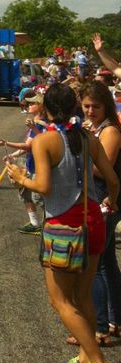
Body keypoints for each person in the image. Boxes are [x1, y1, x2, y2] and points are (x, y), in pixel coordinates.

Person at [7, 83, 120, 363]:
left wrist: (20, 177)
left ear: (46, 108)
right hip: (94, 219)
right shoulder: (88, 137)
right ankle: (85, 358)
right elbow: (113, 178)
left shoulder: (46, 141)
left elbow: (43, 187)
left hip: (63, 227)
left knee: (60, 301)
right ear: (73, 107)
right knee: (83, 297)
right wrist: (112, 202)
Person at [79, 82, 121, 347]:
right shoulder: (94, 129)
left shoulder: (110, 132)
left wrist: (83, 145)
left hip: (106, 202)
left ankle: (99, 329)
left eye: (96, 106)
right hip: (98, 201)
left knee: (93, 267)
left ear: (106, 106)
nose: (91, 111)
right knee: (106, 264)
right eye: (86, 106)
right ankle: (116, 321)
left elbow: (101, 170)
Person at [0, 92, 47, 234]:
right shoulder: (34, 122)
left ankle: (51, 226)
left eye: (32, 103)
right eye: (28, 103)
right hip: (31, 164)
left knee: (40, 199)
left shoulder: (41, 123)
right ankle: (35, 223)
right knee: (25, 193)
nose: (28, 105)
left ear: (41, 106)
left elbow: (28, 146)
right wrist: (12, 155)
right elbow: (27, 146)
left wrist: (7, 143)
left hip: (39, 168)